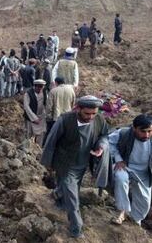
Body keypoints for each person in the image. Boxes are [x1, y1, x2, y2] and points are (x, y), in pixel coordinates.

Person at [41, 96, 109, 238]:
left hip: (82, 163)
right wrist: (48, 163)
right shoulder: (65, 120)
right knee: (73, 197)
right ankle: (76, 229)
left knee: (71, 188)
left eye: (93, 113)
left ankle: (57, 194)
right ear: (78, 109)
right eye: (87, 114)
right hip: (65, 163)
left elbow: (104, 136)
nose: (90, 117)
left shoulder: (99, 120)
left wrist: (102, 146)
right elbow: (51, 140)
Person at [109, 114, 152, 226]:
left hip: (144, 172)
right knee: (121, 178)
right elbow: (108, 142)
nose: (146, 135)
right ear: (134, 128)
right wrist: (118, 159)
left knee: (145, 202)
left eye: (150, 131)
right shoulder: (123, 133)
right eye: (143, 131)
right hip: (125, 167)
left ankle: (135, 221)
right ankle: (122, 212)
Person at [24, 79, 47, 146]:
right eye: (39, 87)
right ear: (35, 86)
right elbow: (26, 107)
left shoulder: (44, 92)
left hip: (41, 117)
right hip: (30, 118)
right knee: (29, 134)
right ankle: (29, 150)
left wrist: (44, 115)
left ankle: (38, 149)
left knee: (41, 134)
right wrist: (34, 118)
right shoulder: (28, 93)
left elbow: (45, 104)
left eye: (41, 87)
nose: (40, 89)